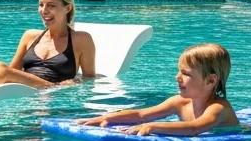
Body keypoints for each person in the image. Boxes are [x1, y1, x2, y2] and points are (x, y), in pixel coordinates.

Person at [77, 42, 237, 135]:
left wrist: (153, 126)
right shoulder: (180, 102)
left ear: (210, 80)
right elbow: (141, 114)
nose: (177, 77)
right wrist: (107, 118)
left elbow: (194, 128)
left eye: (185, 73)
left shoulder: (219, 108)